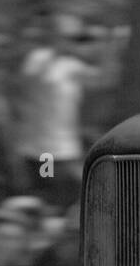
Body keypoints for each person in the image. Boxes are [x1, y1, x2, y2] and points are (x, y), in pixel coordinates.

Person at [13, 13, 129, 207]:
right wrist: (56, 51)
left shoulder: (71, 66)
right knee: (65, 193)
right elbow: (31, 80)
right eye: (66, 36)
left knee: (71, 196)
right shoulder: (38, 58)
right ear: (53, 35)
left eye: (73, 36)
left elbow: (105, 80)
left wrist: (112, 48)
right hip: (44, 152)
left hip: (64, 150)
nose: (71, 41)